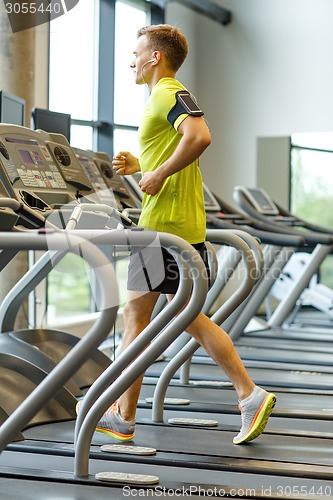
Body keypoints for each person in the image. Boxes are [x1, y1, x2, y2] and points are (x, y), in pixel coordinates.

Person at [77, 24, 276, 444]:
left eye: (136, 53)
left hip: (163, 228)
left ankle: (247, 394)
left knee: (154, 316)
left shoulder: (166, 92)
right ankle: (127, 415)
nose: (131, 61)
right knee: (167, 316)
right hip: (178, 224)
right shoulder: (166, 97)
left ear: (155, 58)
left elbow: (200, 137)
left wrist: (160, 173)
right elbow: (179, 145)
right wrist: (141, 168)